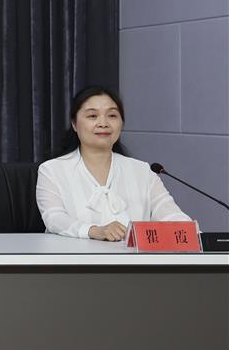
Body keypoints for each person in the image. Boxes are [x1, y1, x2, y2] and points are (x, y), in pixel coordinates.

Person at [36, 86, 189, 241]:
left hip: (132, 257)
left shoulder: (142, 171)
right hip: (73, 256)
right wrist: (94, 231)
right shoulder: (52, 170)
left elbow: (171, 214)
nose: (103, 123)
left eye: (112, 115)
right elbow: (54, 218)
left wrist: (192, 234)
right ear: (74, 124)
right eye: (92, 116)